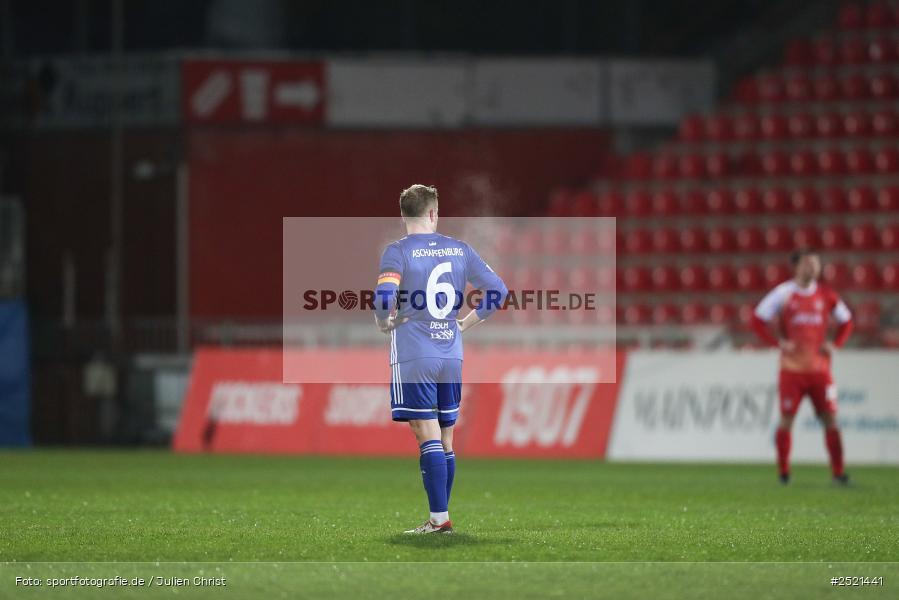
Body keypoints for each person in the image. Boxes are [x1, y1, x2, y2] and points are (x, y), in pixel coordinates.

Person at [374, 184, 507, 533]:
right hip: (451, 354)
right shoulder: (460, 249)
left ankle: (438, 520)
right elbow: (499, 291)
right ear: (434, 213)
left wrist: (382, 319)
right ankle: (441, 517)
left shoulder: (397, 251)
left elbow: (384, 295)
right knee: (446, 439)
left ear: (403, 216)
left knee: (425, 432)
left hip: (415, 354)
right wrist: (465, 323)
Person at [750, 249, 853, 485]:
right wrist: (777, 343)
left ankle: (838, 473)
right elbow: (757, 320)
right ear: (796, 267)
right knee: (786, 419)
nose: (813, 268)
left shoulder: (827, 295)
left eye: (816, 264)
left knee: (831, 419)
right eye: (808, 264)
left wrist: (835, 344)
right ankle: (784, 473)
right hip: (792, 370)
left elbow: (847, 321)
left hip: (820, 370)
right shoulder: (783, 294)